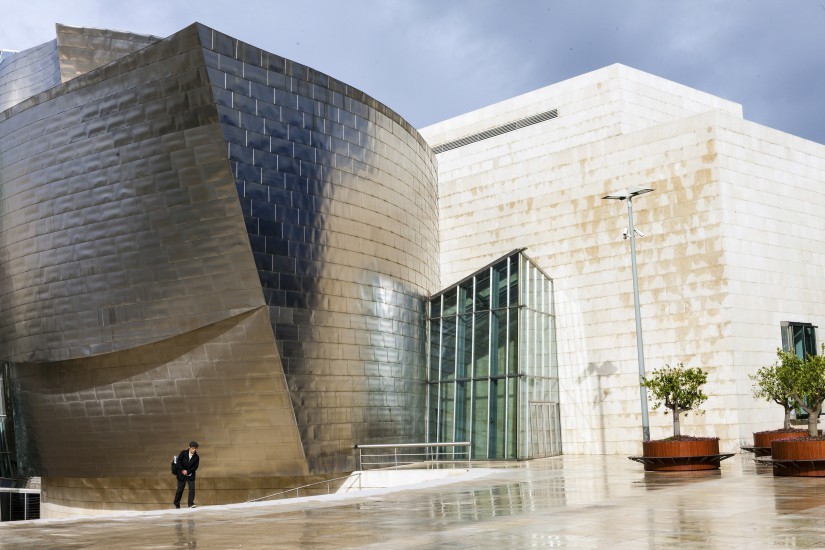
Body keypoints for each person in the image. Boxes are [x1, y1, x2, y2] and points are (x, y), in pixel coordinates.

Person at [173, 441, 200, 509]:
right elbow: (178, 462)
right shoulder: (183, 453)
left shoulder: (196, 457)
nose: (194, 450)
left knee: (192, 489)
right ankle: (176, 503)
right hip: (181, 475)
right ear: (189, 447)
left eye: (195, 448)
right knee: (180, 489)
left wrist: (187, 471)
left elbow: (195, 467)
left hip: (190, 475)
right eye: (193, 448)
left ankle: (190, 504)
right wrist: (182, 470)